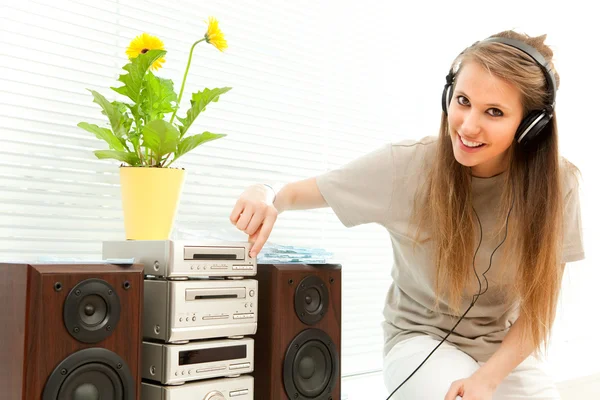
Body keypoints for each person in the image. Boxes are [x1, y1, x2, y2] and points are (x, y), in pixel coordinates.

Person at [229, 30, 584, 400]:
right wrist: (264, 193)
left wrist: (489, 379)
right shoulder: (407, 166)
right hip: (421, 339)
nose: (467, 125)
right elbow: (293, 193)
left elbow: (539, 310)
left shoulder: (560, 185)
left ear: (531, 126)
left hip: (501, 349)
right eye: (462, 101)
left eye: (493, 112)